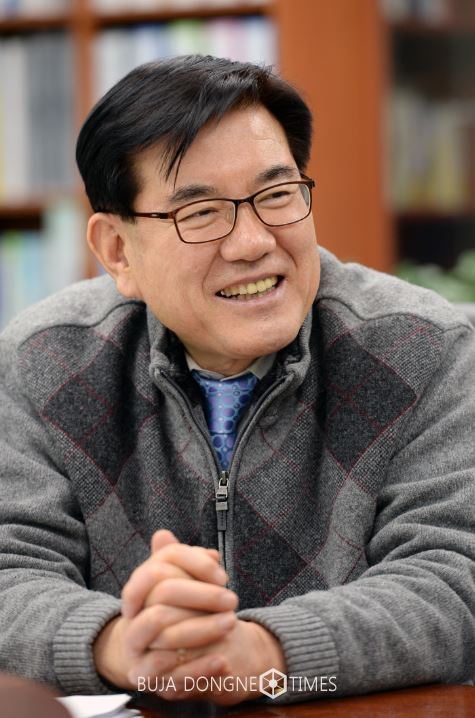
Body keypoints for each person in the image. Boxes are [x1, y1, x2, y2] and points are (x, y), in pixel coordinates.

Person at [0, 55, 473, 706]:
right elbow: (10, 571)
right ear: (117, 250)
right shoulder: (41, 361)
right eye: (200, 212)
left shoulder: (424, 349)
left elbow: (452, 580)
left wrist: (260, 654)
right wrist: (121, 642)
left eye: (276, 195)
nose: (252, 242)